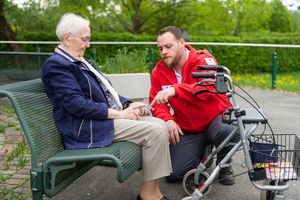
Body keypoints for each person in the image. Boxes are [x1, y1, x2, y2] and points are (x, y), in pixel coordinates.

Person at [41, 13, 172, 200]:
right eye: (85, 39)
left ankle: (155, 191)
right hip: (85, 127)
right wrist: (121, 115)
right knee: (154, 131)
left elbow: (106, 91)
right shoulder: (57, 65)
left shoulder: (80, 61)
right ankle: (148, 195)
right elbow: (76, 104)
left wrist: (128, 104)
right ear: (67, 38)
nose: (88, 44)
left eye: (89, 39)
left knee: (160, 124)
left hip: (100, 119)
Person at [149, 26, 240, 185]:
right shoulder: (158, 71)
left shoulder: (204, 60)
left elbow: (210, 89)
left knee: (228, 130)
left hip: (214, 119)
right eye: (160, 48)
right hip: (187, 128)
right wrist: (167, 120)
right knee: (173, 175)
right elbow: (157, 103)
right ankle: (203, 152)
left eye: (168, 46)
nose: (163, 51)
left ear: (182, 42)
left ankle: (225, 163)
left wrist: (175, 90)